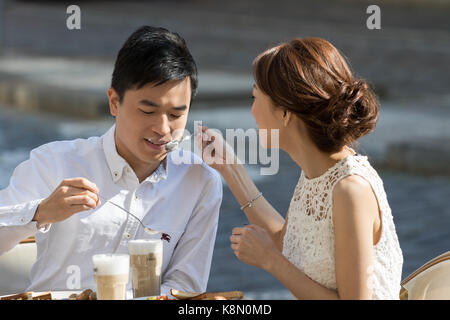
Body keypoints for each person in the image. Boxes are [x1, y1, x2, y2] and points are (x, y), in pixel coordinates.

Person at [0, 26, 223, 296]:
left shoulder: (199, 182)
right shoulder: (54, 163)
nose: (163, 128)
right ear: (114, 102)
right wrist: (40, 213)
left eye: (176, 115)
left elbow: (185, 286)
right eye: (147, 111)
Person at [198, 38, 403, 299]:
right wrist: (231, 168)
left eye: (255, 98)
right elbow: (292, 243)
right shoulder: (318, 172)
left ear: (284, 114)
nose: (251, 111)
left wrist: (271, 261)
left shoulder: (350, 190)